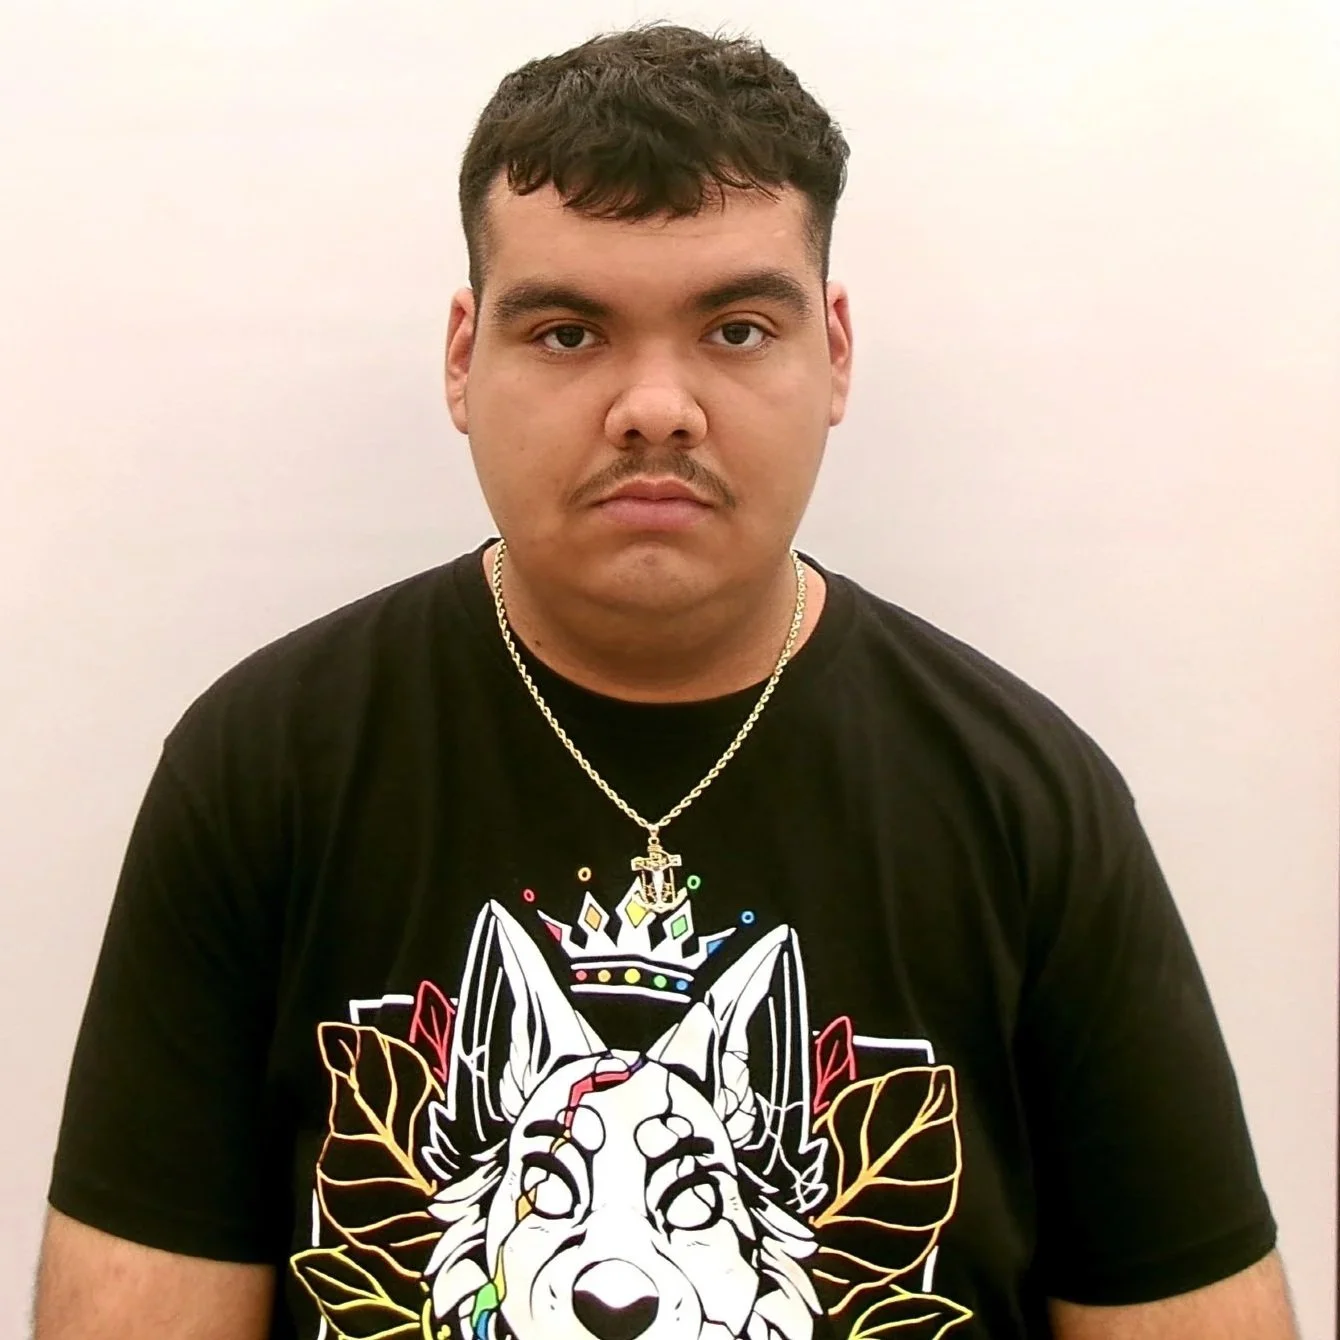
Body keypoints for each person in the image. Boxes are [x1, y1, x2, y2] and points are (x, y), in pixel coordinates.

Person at [33, 20, 1297, 1340]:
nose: (654, 406)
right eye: (568, 332)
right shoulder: (263, 772)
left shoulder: (1030, 807)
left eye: (737, 329)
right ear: (463, 357)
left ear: (835, 352)